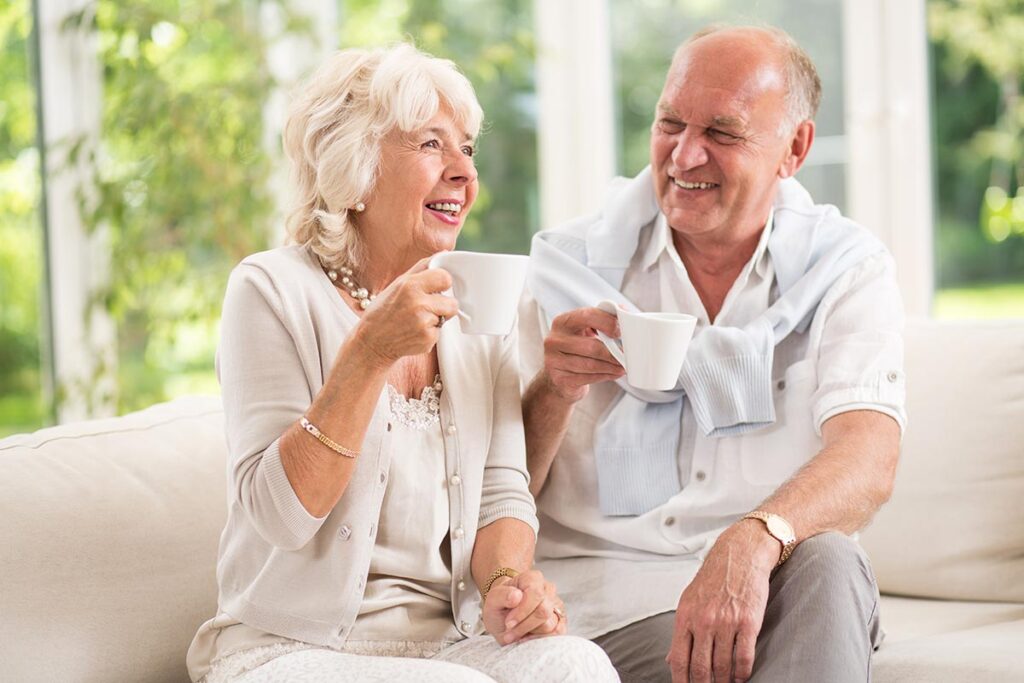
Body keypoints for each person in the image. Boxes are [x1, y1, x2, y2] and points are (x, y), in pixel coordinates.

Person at [186, 44, 617, 683]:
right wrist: (369, 354)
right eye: (430, 145)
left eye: (466, 149)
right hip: (286, 648)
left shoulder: (474, 301)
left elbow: (502, 489)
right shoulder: (271, 290)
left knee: (576, 665)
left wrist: (506, 584)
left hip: (446, 648)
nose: (464, 174)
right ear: (352, 171)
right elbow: (279, 515)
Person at [520, 25, 906, 683]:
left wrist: (754, 539)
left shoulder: (845, 268)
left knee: (831, 561)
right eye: (670, 123)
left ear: (796, 148)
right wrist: (553, 390)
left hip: (769, 598)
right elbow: (494, 488)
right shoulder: (568, 267)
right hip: (600, 616)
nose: (684, 156)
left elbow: (869, 455)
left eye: (722, 134)